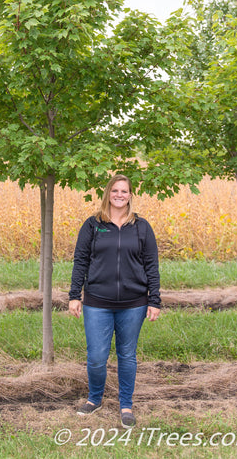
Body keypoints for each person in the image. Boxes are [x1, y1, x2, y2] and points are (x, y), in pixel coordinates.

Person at [68, 174, 161, 428]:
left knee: (127, 355)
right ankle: (94, 399)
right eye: (115, 190)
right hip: (97, 302)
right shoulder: (92, 225)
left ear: (131, 195)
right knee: (97, 356)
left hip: (134, 303)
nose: (120, 195)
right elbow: (81, 261)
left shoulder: (141, 227)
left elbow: (152, 265)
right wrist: (75, 295)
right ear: (108, 193)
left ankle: (126, 405)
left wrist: (155, 300)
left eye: (125, 191)